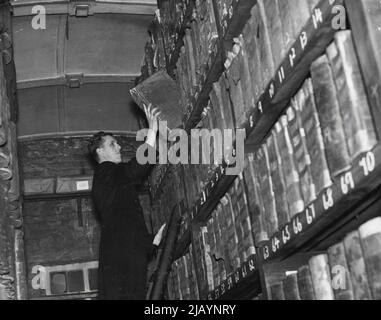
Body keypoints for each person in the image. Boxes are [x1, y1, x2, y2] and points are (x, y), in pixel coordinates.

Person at [88, 104, 165, 300]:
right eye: (113, 144)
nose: (120, 146)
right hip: (122, 260)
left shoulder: (112, 178)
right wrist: (153, 130)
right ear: (100, 151)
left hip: (125, 256)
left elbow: (124, 219)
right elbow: (136, 168)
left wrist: (151, 241)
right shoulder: (106, 172)